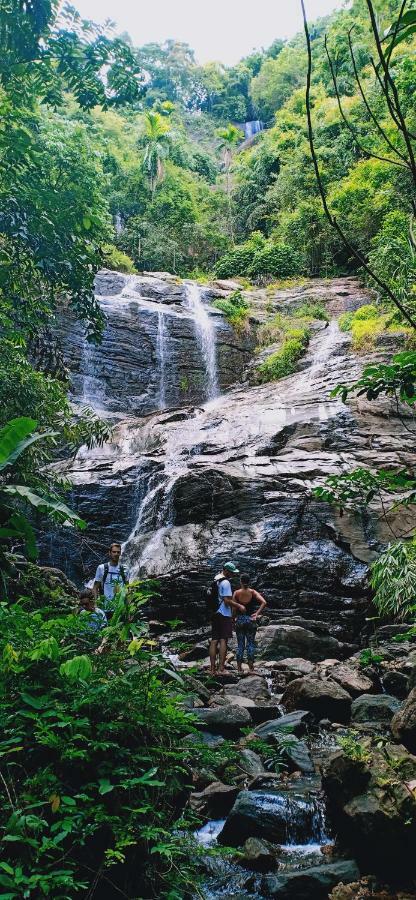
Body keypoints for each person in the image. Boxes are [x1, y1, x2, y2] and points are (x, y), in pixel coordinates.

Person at [209, 562, 244, 676]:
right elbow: (227, 600)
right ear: (226, 571)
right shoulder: (226, 582)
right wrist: (239, 606)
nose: (233, 574)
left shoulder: (216, 579)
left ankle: (212, 669)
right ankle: (221, 669)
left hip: (214, 612)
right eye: (232, 572)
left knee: (214, 640)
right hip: (224, 614)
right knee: (224, 639)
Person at [232, 573, 267, 674]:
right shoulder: (252, 592)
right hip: (251, 620)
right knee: (250, 644)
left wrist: (233, 618)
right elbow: (264, 602)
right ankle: (251, 667)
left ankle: (239, 668)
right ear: (249, 581)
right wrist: (256, 613)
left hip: (240, 620)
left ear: (240, 581)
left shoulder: (236, 593)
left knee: (240, 645)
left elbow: (234, 608)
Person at [93, 542, 128, 616]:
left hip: (120, 608)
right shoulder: (101, 568)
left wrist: (128, 606)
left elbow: (128, 588)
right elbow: (95, 587)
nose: (116, 554)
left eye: (118, 552)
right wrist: (96, 604)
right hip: (105, 607)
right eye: (114, 552)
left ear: (120, 553)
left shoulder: (125, 569)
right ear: (109, 553)